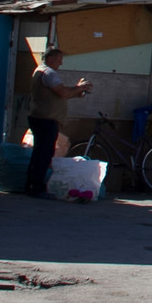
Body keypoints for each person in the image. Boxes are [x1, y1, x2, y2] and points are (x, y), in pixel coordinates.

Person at [27, 48, 91, 197]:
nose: (61, 63)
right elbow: (62, 92)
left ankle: (31, 184)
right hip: (45, 119)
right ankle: (36, 187)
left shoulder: (41, 71)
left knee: (39, 152)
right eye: (59, 59)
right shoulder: (48, 73)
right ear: (50, 60)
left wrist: (76, 92)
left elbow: (59, 95)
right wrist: (79, 87)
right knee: (44, 153)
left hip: (40, 117)